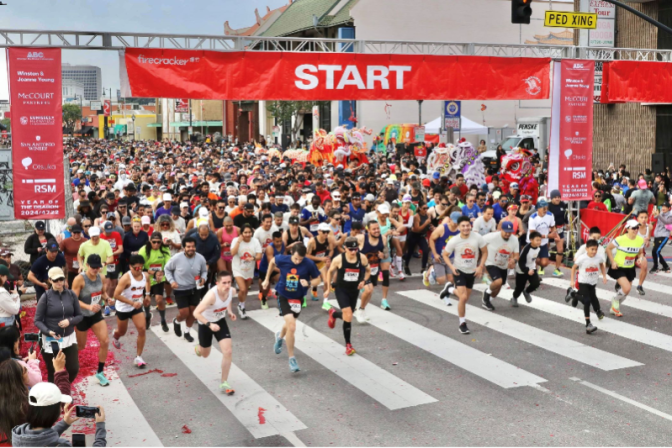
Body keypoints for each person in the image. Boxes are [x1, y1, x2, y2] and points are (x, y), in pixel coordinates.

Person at [263, 244, 321, 373]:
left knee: (289, 325)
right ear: (291, 253)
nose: (298, 261)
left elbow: (318, 279)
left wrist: (310, 283)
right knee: (292, 326)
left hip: (298, 298)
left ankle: (279, 336)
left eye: (301, 259)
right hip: (284, 295)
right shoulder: (283, 259)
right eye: (295, 258)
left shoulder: (309, 264)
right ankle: (292, 358)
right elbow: (272, 261)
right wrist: (267, 279)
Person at [11, 382, 107, 448]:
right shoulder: (61, 445)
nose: (61, 409)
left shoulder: (18, 434)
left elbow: (41, 439)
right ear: (52, 412)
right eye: (59, 406)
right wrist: (100, 426)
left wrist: (64, 423)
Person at [33, 267, 82, 383]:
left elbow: (79, 316)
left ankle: (64, 387)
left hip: (69, 338)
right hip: (51, 339)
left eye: (61, 279)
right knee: (52, 371)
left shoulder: (71, 295)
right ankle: (55, 397)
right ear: (50, 280)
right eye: (56, 280)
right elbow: (37, 320)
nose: (59, 282)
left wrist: (69, 321)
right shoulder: (45, 297)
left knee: (73, 369)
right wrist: (49, 331)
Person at [439, 216, 487, 334]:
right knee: (463, 297)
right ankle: (462, 323)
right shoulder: (454, 240)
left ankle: (450, 289)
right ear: (459, 227)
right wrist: (452, 267)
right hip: (459, 271)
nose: (466, 228)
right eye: (463, 226)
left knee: (465, 298)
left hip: (472, 271)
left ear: (470, 226)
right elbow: (445, 255)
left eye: (467, 225)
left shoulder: (477, 237)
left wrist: (480, 266)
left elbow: (485, 252)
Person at [193, 270, 237, 395]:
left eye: (229, 282)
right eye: (224, 283)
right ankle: (199, 348)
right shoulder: (211, 296)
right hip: (206, 323)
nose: (227, 285)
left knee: (228, 351)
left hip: (220, 321)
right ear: (217, 283)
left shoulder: (231, 291)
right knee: (205, 354)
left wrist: (229, 311)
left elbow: (228, 299)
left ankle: (224, 382)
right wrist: (209, 324)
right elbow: (196, 313)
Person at [325, 237, 370, 355]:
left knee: (347, 315)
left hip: (354, 290)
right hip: (341, 289)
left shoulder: (362, 257)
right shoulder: (338, 259)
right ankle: (348, 345)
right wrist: (328, 287)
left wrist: (363, 281)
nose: (354, 252)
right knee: (349, 315)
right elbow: (330, 272)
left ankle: (334, 314)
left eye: (355, 249)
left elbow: (368, 270)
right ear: (345, 248)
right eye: (351, 249)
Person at [70, 254, 110, 387]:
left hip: (96, 315)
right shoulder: (79, 279)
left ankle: (100, 371)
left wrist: (107, 299)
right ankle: (70, 365)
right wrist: (88, 306)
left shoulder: (101, 277)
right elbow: (73, 299)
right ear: (87, 265)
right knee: (80, 346)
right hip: (82, 316)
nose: (95, 269)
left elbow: (102, 292)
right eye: (93, 267)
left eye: (97, 267)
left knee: (105, 341)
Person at [112, 254, 152, 368]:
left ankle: (138, 357)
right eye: (136, 268)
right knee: (122, 332)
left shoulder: (145, 275)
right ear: (130, 267)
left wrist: (147, 295)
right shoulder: (126, 278)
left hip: (136, 307)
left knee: (142, 329)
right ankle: (116, 335)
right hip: (123, 308)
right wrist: (131, 303)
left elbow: (148, 282)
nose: (139, 270)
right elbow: (116, 295)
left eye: (141, 267)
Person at [165, 237, 208, 340]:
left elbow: (204, 271)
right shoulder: (176, 258)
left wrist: (203, 278)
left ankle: (187, 332)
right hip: (180, 289)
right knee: (184, 313)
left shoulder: (200, 258)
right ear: (184, 247)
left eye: (193, 246)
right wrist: (172, 281)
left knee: (193, 313)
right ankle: (177, 321)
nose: (191, 249)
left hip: (195, 288)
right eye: (188, 246)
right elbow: (167, 269)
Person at [605, 219, 645, 318]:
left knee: (626, 292)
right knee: (626, 288)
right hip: (619, 267)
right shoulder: (620, 239)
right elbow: (608, 249)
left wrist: (640, 258)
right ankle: (615, 300)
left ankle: (614, 308)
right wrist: (612, 261)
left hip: (630, 268)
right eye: (634, 228)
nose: (636, 230)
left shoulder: (640, 240)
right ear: (627, 229)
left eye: (637, 228)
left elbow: (641, 252)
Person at [569, 239, 607, 334]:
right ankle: (588, 324)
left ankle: (574, 295)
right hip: (583, 282)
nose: (594, 251)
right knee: (587, 301)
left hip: (593, 282)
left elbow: (602, 265)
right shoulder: (582, 258)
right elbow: (573, 268)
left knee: (593, 297)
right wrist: (572, 280)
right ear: (586, 249)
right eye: (592, 249)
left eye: (596, 249)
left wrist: (604, 275)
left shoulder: (598, 257)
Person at [480, 221, 519, 311]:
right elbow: (479, 241)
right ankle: (486, 293)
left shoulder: (514, 240)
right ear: (501, 229)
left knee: (498, 288)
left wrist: (514, 260)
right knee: (498, 281)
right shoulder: (492, 236)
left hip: (503, 265)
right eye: (506, 231)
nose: (508, 234)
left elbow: (517, 255)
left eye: (510, 232)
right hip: (491, 262)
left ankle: (487, 301)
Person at [138, 232, 171, 332]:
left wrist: (162, 273)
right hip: (146, 277)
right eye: (154, 242)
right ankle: (147, 315)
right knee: (146, 301)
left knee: (159, 299)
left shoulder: (164, 249)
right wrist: (154, 272)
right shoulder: (144, 250)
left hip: (158, 278)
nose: (156, 244)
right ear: (150, 241)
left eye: (158, 242)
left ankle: (163, 320)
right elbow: (140, 267)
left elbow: (169, 265)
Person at [230, 225, 262, 320]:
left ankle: (241, 304)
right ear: (241, 233)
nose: (248, 234)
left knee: (246, 290)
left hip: (249, 269)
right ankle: (241, 306)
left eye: (249, 232)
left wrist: (253, 258)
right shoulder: (236, 240)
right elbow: (232, 253)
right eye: (245, 232)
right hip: (237, 268)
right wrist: (239, 241)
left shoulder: (255, 241)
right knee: (242, 289)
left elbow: (259, 255)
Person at [306, 223, 334, 307]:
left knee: (326, 281)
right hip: (311, 264)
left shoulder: (328, 239)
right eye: (324, 232)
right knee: (308, 283)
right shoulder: (312, 241)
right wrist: (321, 259)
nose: (326, 234)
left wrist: (328, 258)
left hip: (321, 264)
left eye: (327, 232)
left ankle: (325, 301)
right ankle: (303, 297)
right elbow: (307, 255)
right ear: (318, 231)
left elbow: (331, 250)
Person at [512, 231, 542, 307]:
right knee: (519, 288)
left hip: (531, 268)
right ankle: (514, 297)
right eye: (537, 240)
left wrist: (535, 270)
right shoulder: (526, 249)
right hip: (522, 269)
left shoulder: (538, 248)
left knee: (536, 283)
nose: (539, 242)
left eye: (540, 240)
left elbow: (533, 259)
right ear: (531, 240)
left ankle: (527, 292)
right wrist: (526, 271)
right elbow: (521, 262)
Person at [527, 199, 555, 276]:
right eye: (543, 208)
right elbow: (533, 232)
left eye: (546, 208)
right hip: (533, 242)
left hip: (543, 242)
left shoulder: (550, 215)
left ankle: (535, 263)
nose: (545, 210)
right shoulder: (533, 217)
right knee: (533, 260)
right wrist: (547, 236)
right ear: (538, 208)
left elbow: (552, 226)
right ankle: (533, 275)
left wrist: (555, 234)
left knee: (545, 263)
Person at [258, 231, 284, 310]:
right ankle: (263, 299)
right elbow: (271, 264)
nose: (279, 243)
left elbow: (285, 256)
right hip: (265, 268)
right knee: (265, 288)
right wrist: (282, 270)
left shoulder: (283, 245)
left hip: (276, 267)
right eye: (277, 241)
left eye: (280, 241)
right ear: (272, 240)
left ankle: (278, 293)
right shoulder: (269, 248)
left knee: (283, 279)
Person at [547, 190, 568, 277]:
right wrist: (552, 230)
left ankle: (557, 269)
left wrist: (566, 223)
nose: (557, 199)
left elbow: (565, 215)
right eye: (555, 197)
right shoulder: (548, 206)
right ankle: (541, 267)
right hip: (549, 229)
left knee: (560, 249)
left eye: (559, 197)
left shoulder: (562, 204)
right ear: (552, 198)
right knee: (545, 249)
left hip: (559, 229)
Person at [651, 204, 672, 273]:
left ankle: (655, 267)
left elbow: (667, 222)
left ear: (669, 208)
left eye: (665, 207)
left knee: (655, 251)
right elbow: (654, 219)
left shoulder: (670, 215)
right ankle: (665, 266)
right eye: (662, 206)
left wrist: (658, 215)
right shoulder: (660, 213)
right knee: (656, 251)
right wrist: (654, 214)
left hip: (664, 235)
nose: (663, 208)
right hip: (657, 235)